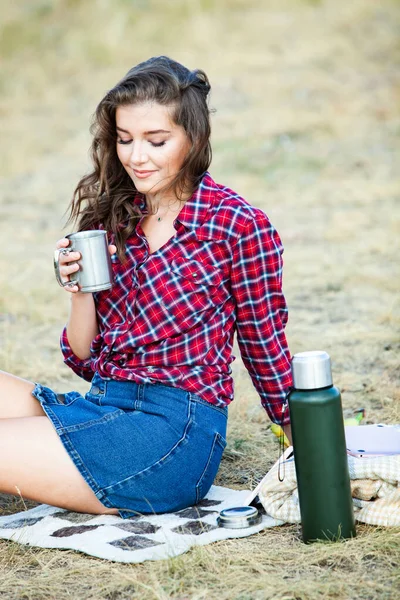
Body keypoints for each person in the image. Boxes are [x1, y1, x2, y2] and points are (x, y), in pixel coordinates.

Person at [0, 56, 292, 518]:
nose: (137, 156)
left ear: (193, 138)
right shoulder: (114, 217)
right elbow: (83, 357)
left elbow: (264, 344)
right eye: (125, 139)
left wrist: (315, 449)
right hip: (105, 405)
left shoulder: (237, 225)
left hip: (174, 434)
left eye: (157, 141)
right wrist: (78, 293)